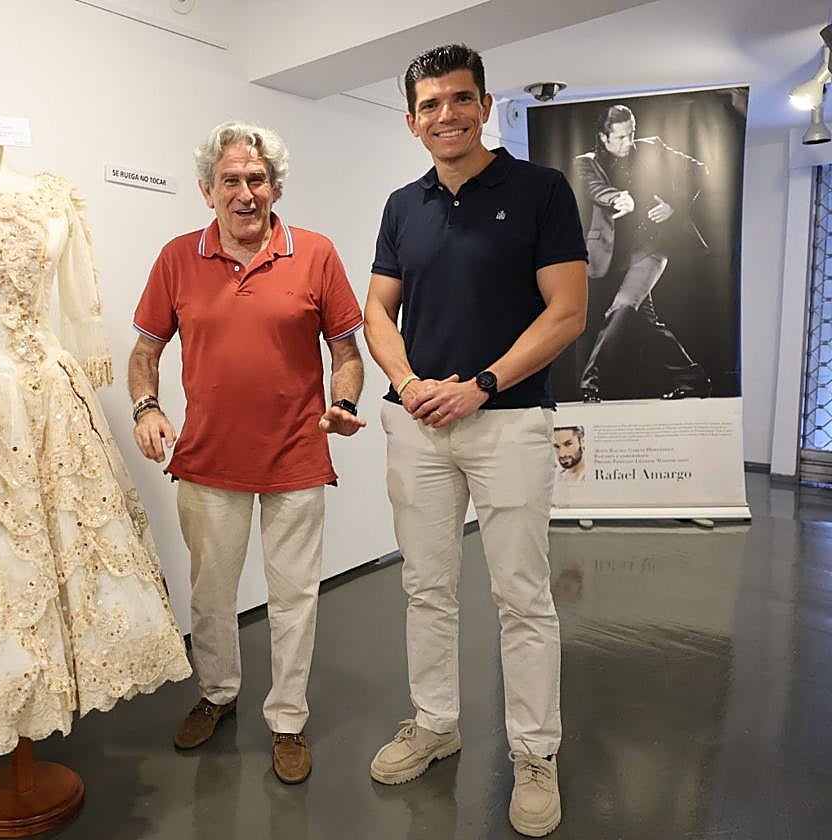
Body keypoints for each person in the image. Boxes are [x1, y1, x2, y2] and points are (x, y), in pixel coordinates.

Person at [362, 45, 587, 837]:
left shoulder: (540, 191)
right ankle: (436, 722)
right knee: (427, 587)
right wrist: (411, 380)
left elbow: (565, 312)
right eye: (429, 105)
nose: (445, 115)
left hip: (510, 423)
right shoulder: (403, 204)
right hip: (419, 425)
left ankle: (533, 754)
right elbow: (376, 312)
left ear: (486, 106)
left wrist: (480, 384)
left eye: (460, 99)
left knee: (521, 597)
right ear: (412, 119)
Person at [128, 121, 366, 785]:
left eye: (256, 179)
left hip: (295, 455)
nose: (244, 192)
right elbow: (145, 350)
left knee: (295, 597)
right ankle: (219, 692)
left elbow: (346, 352)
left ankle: (288, 720)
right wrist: (147, 408)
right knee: (211, 595)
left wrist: (343, 403)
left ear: (276, 187)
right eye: (230, 180)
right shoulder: (178, 258)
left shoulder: (315, 254)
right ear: (208, 190)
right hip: (206, 461)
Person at [574, 104, 711, 401]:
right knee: (645, 321)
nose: (628, 143)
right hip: (612, 254)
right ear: (603, 137)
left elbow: (699, 170)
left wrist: (673, 204)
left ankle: (589, 383)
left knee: (621, 307)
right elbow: (594, 189)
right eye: (620, 138)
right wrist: (618, 198)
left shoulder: (652, 148)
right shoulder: (586, 162)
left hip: (651, 248)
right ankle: (693, 379)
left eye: (631, 135)